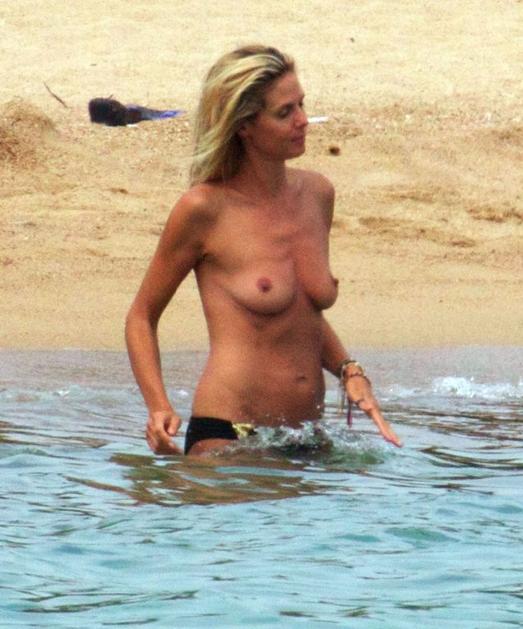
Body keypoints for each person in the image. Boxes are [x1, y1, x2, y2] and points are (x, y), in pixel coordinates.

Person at [125, 45, 402, 456]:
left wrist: (349, 369)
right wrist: (158, 406)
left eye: (302, 104)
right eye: (284, 112)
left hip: (306, 437)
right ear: (244, 126)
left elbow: (298, 312)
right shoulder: (204, 209)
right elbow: (141, 317)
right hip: (230, 434)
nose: (303, 120)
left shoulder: (317, 194)